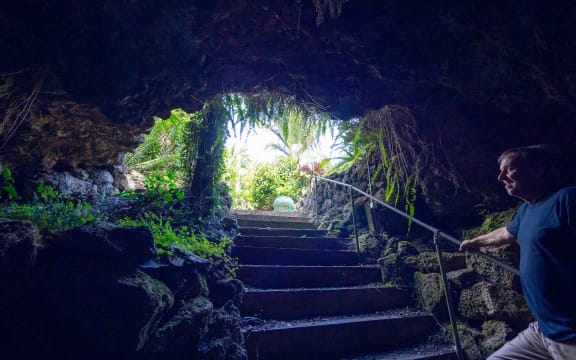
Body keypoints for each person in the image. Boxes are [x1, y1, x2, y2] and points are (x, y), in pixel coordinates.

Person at [459, 144, 576, 359]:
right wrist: (475, 241)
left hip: (571, 335)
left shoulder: (567, 199)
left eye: (509, 169)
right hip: (542, 331)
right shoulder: (526, 210)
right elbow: (505, 233)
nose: (500, 177)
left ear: (537, 169)